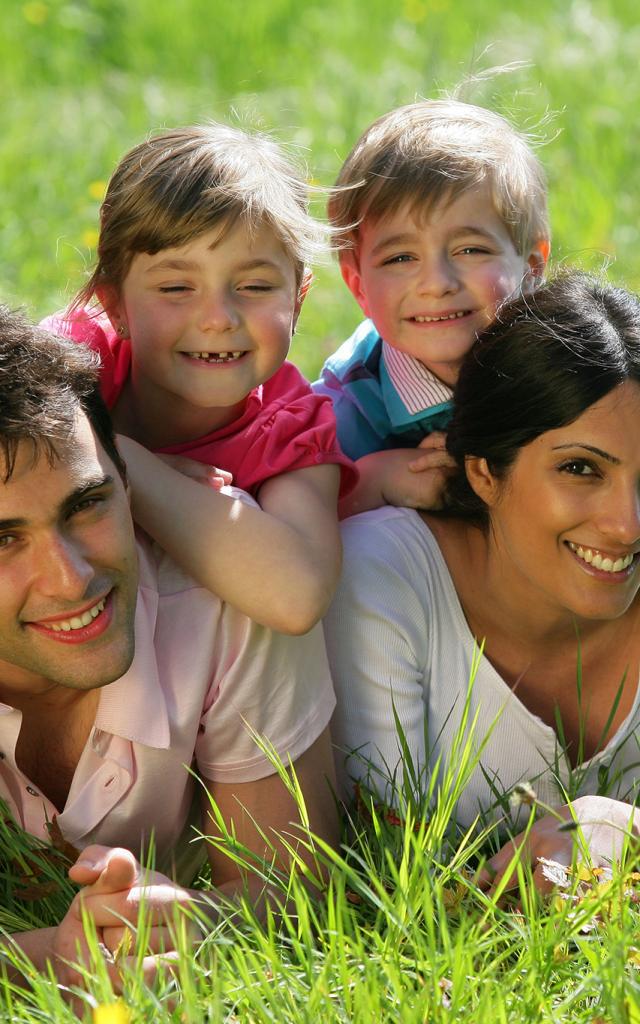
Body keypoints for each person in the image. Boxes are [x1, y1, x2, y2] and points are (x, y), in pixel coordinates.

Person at [0, 307, 337, 983]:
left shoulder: (227, 601)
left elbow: (298, 891)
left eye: (87, 505)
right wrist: (51, 962)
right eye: (3, 539)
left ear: (130, 482)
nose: (72, 579)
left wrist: (191, 925)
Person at [324, 272, 640, 890]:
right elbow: (390, 888)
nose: (627, 525)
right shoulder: (384, 582)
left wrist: (622, 830)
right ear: (484, 474)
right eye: (580, 468)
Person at [42, 123, 357, 636]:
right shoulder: (76, 357)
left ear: (297, 301)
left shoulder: (290, 425)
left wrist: (123, 465)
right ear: (114, 304)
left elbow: (297, 596)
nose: (218, 318)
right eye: (175, 287)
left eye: (254, 286)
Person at [313, 99, 550, 516]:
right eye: (400, 258)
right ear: (359, 288)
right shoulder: (341, 415)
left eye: (471, 249)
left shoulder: (574, 366)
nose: (437, 283)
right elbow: (294, 531)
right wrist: (373, 480)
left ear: (531, 268)